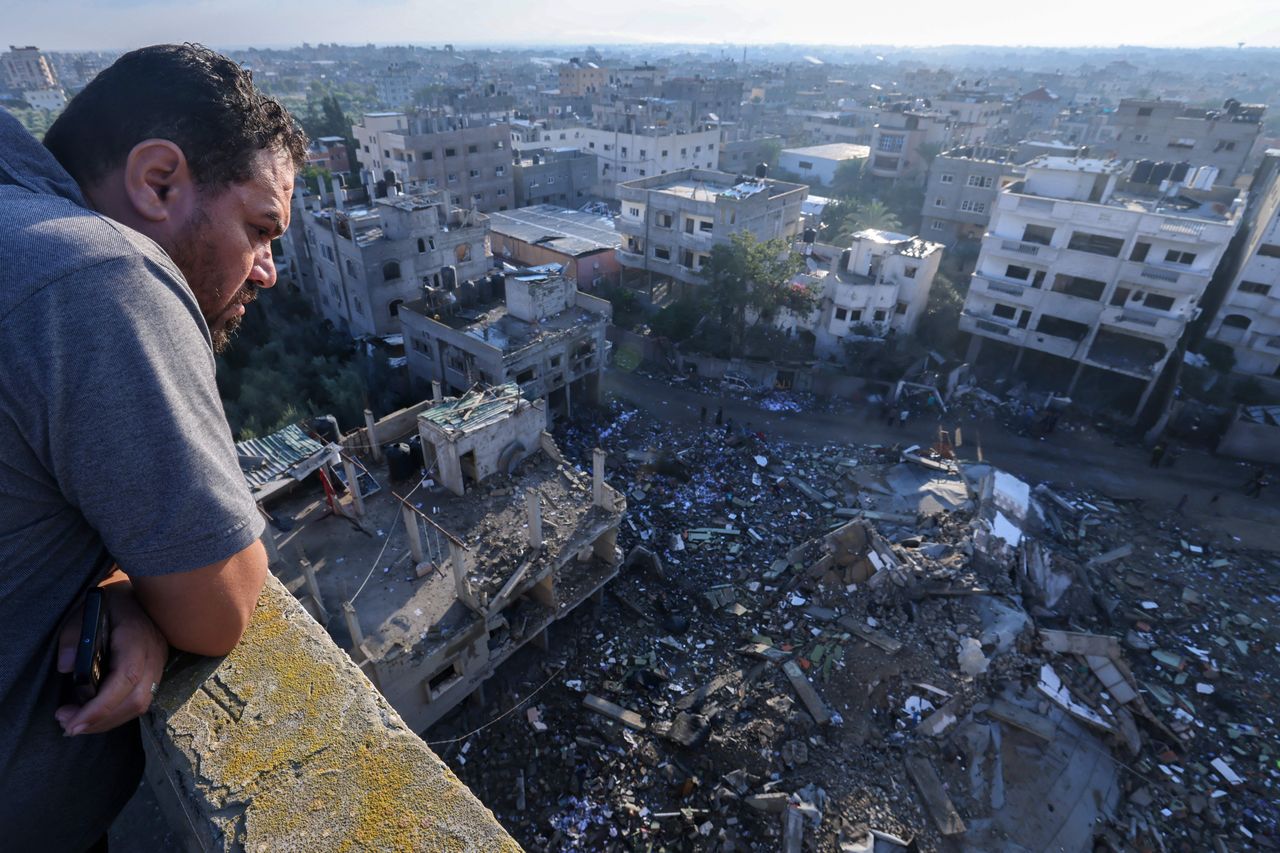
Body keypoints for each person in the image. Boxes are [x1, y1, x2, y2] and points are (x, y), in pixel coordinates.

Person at [0, 44, 307, 851]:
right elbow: (222, 602)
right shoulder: (96, 272)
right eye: (259, 227)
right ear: (158, 181)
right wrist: (148, 588)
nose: (269, 270)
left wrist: (112, 575)